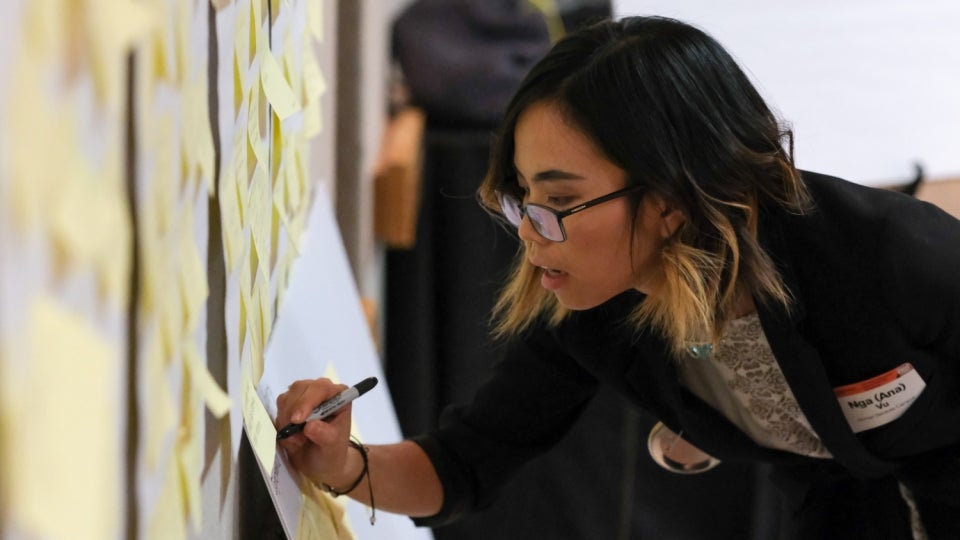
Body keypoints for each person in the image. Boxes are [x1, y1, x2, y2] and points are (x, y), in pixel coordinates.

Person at [276, 16, 960, 539]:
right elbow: (459, 466)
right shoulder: (593, 309)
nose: (528, 230)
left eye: (562, 201)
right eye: (522, 197)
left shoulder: (887, 256)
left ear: (669, 200)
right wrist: (340, 463)